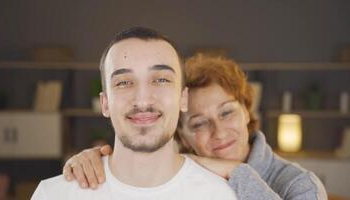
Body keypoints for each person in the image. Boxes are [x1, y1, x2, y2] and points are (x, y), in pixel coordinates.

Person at [63, 53, 328, 199]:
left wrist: (237, 172)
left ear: (247, 111)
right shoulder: (179, 177)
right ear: (183, 135)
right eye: (200, 123)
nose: (219, 132)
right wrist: (94, 160)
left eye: (227, 113)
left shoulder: (299, 184)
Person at [31, 27, 237, 200]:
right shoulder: (53, 195)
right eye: (124, 82)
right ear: (105, 104)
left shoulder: (221, 195)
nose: (143, 100)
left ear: (183, 98)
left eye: (161, 80)